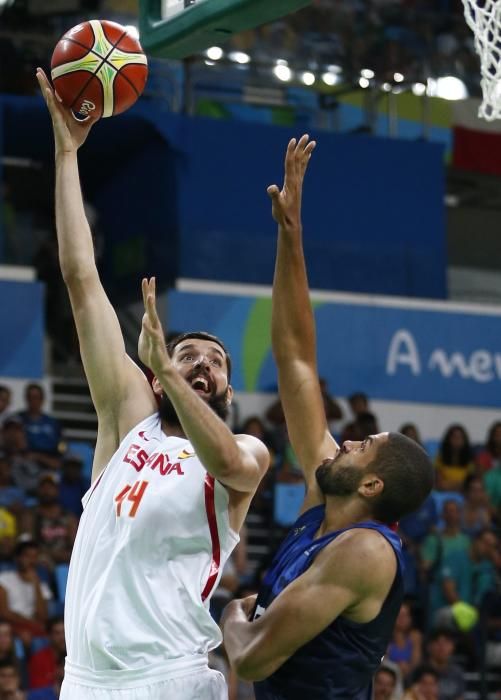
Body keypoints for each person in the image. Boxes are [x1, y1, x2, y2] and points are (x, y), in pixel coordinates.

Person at [36, 67, 269, 700]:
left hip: (172, 678)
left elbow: (229, 461)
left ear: (225, 386)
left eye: (215, 361)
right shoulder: (126, 426)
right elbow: (82, 279)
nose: (202, 365)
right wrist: (67, 155)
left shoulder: (244, 453)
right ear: (159, 385)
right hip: (84, 682)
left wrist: (164, 363)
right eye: (188, 355)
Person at [221, 135, 434, 699]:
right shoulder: (326, 503)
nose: (346, 443)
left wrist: (230, 614)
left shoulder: (365, 551)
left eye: (362, 446)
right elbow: (295, 357)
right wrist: (290, 236)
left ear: (372, 484)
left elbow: (253, 658)